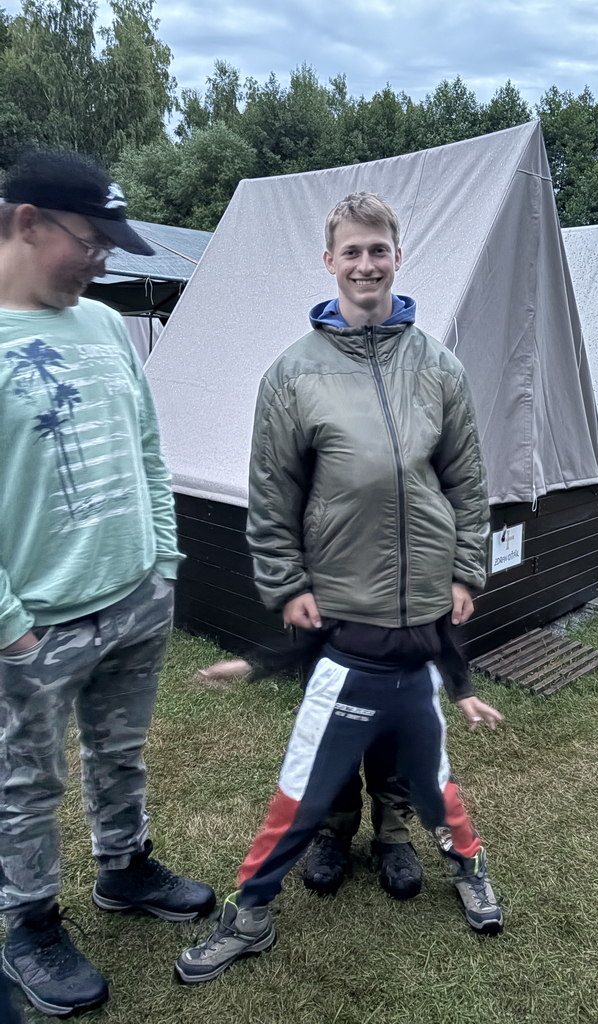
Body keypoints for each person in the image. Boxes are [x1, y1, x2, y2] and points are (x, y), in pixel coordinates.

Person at [175, 191, 504, 985]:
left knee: (416, 757)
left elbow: (466, 480)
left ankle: (394, 838)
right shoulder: (294, 373)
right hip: (340, 609)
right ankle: (331, 836)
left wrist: (467, 567)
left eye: (377, 249)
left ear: (398, 256)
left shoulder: (439, 367)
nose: (365, 264)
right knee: (323, 756)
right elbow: (272, 494)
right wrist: (285, 582)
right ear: (329, 261)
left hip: (419, 609)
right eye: (351, 251)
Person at [0, 151, 215, 1018]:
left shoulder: (103, 324)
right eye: (90, 242)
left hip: (134, 597)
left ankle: (123, 869)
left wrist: (163, 564)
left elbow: (147, 448)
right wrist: (10, 626)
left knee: (120, 753)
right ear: (26, 222)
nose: (100, 262)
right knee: (26, 785)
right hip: (35, 624)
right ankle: (28, 926)